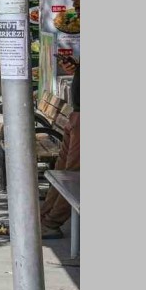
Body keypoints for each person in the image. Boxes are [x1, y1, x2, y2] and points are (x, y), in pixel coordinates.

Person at [41, 68, 80, 238]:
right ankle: (44, 218)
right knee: (61, 172)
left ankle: (51, 222)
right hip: (76, 115)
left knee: (72, 177)